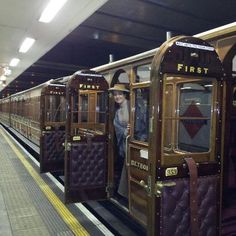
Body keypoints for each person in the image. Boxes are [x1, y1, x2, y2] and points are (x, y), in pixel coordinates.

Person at [109, 84, 129, 199]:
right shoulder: (117, 111)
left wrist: (132, 130)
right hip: (123, 144)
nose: (117, 97)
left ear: (125, 95)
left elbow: (141, 123)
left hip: (132, 143)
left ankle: (125, 194)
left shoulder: (133, 106)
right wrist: (125, 131)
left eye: (120, 94)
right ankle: (123, 194)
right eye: (115, 95)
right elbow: (116, 126)